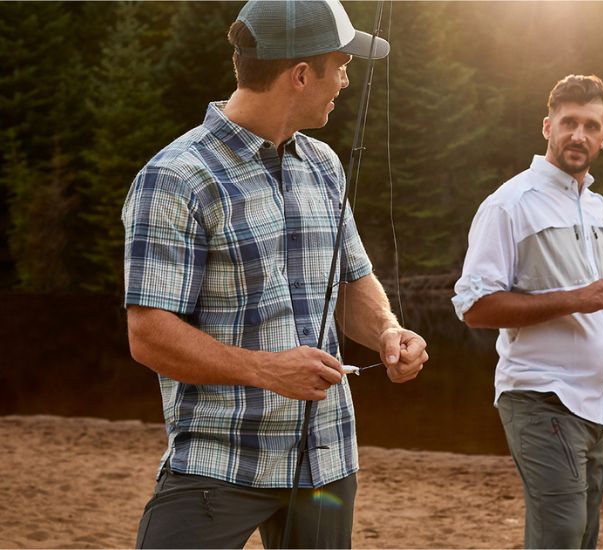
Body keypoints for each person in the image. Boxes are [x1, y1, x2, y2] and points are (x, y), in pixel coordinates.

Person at [122, 1, 428, 547]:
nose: (346, 79)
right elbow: (148, 336)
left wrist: (386, 331)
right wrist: (266, 370)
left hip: (327, 461)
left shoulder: (324, 165)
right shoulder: (174, 178)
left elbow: (354, 282)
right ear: (301, 75)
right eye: (341, 64)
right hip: (217, 464)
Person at [451, 74, 603, 549]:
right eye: (569, 123)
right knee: (560, 534)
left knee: (582, 536)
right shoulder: (509, 204)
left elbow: (600, 308)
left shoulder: (597, 207)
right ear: (547, 127)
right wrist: (577, 298)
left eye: (590, 125)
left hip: (594, 406)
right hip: (539, 396)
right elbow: (474, 308)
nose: (578, 135)